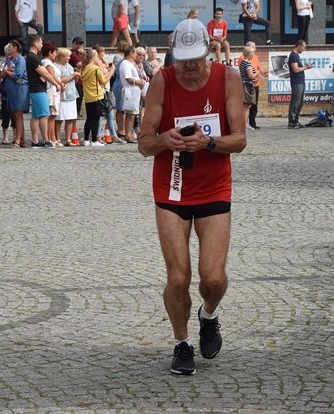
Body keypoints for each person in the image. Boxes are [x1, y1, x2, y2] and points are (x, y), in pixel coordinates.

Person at [138, 17, 246, 376]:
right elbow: (143, 144)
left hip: (215, 186)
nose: (188, 67)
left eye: (195, 59)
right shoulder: (161, 81)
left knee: (212, 277)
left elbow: (240, 140)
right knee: (178, 278)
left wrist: (209, 142)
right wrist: (164, 140)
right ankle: (182, 343)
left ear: (209, 50)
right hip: (172, 187)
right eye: (182, 59)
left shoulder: (227, 78)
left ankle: (208, 315)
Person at [24, 35, 54, 148]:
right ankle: (46, 140)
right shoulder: (33, 57)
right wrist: (57, 83)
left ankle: (35, 140)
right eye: (41, 43)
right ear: (36, 43)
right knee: (44, 115)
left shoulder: (32, 57)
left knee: (36, 116)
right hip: (38, 89)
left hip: (35, 89)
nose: (42, 45)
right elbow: (45, 73)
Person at [82, 49, 114, 147]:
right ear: (93, 57)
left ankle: (86, 139)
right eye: (97, 56)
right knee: (96, 119)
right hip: (97, 97)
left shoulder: (84, 68)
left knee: (89, 119)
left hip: (88, 97)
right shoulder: (96, 69)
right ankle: (95, 140)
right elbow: (104, 81)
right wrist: (111, 71)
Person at [0, 40, 28, 148]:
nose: (8, 49)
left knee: (18, 115)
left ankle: (18, 140)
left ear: (15, 48)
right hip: (11, 90)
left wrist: (7, 72)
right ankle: (23, 141)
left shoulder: (20, 59)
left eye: (10, 47)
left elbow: (18, 75)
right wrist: (6, 71)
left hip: (19, 89)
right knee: (15, 115)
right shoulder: (9, 59)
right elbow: (2, 74)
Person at [94, 44, 123, 144]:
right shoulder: (96, 64)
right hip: (101, 91)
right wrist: (111, 70)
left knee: (110, 114)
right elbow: (104, 75)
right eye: (102, 52)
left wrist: (106, 64)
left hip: (107, 90)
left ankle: (113, 135)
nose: (104, 54)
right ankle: (98, 135)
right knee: (101, 115)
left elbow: (108, 68)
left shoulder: (102, 62)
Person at [55, 48, 79, 146]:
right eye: (68, 56)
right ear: (61, 57)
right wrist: (73, 76)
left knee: (71, 118)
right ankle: (57, 139)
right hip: (62, 96)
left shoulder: (69, 66)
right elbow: (60, 79)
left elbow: (73, 79)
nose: (69, 58)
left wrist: (76, 77)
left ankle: (68, 139)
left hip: (71, 94)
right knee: (59, 119)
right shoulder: (56, 67)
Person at [119, 45, 141, 143]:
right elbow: (128, 78)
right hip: (130, 90)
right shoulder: (125, 64)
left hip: (134, 91)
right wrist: (140, 82)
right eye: (135, 52)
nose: (136, 54)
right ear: (131, 53)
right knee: (130, 114)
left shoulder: (130, 63)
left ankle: (129, 134)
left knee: (133, 114)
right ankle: (128, 135)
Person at [43, 42, 63, 148]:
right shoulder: (47, 63)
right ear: (50, 53)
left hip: (54, 90)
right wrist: (59, 84)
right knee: (51, 116)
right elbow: (52, 76)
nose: (55, 55)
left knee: (53, 115)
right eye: (54, 52)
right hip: (52, 91)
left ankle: (53, 137)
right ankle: (51, 138)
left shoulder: (49, 62)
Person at [288, 40, 311, 129]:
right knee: (296, 101)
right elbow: (295, 69)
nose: (304, 49)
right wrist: (306, 67)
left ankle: (296, 120)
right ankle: (292, 121)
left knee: (300, 102)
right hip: (296, 81)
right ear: (299, 46)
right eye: (304, 47)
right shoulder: (293, 56)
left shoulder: (296, 56)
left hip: (300, 81)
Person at [0, 43, 16, 145]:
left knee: (15, 117)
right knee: (6, 116)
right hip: (6, 93)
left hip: (15, 93)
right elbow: (0, 77)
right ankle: (5, 137)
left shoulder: (18, 62)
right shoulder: (4, 64)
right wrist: (6, 70)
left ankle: (15, 136)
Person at [112, 41, 130, 141]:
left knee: (125, 108)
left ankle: (124, 128)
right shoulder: (118, 57)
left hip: (125, 85)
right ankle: (120, 129)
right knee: (120, 108)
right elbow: (115, 70)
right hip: (119, 84)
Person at [246, 41, 266, 129]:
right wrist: (257, 73)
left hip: (256, 84)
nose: (255, 49)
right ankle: (246, 123)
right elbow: (248, 72)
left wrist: (263, 73)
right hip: (249, 85)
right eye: (254, 47)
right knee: (248, 105)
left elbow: (259, 69)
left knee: (255, 105)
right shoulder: (243, 59)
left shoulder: (256, 57)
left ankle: (252, 123)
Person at [239, 46, 257, 121]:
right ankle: (244, 125)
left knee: (245, 106)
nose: (254, 55)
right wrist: (257, 73)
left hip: (243, 85)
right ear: (249, 55)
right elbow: (251, 76)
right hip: (248, 87)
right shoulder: (248, 65)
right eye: (253, 53)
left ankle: (243, 124)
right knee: (246, 107)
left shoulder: (243, 62)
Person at [69, 37, 85, 115]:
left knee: (80, 97)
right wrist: (84, 55)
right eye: (77, 44)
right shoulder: (72, 53)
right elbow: (81, 65)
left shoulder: (79, 54)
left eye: (81, 44)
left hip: (80, 80)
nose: (79, 46)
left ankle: (77, 112)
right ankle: (75, 113)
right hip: (75, 80)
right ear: (73, 44)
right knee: (78, 97)